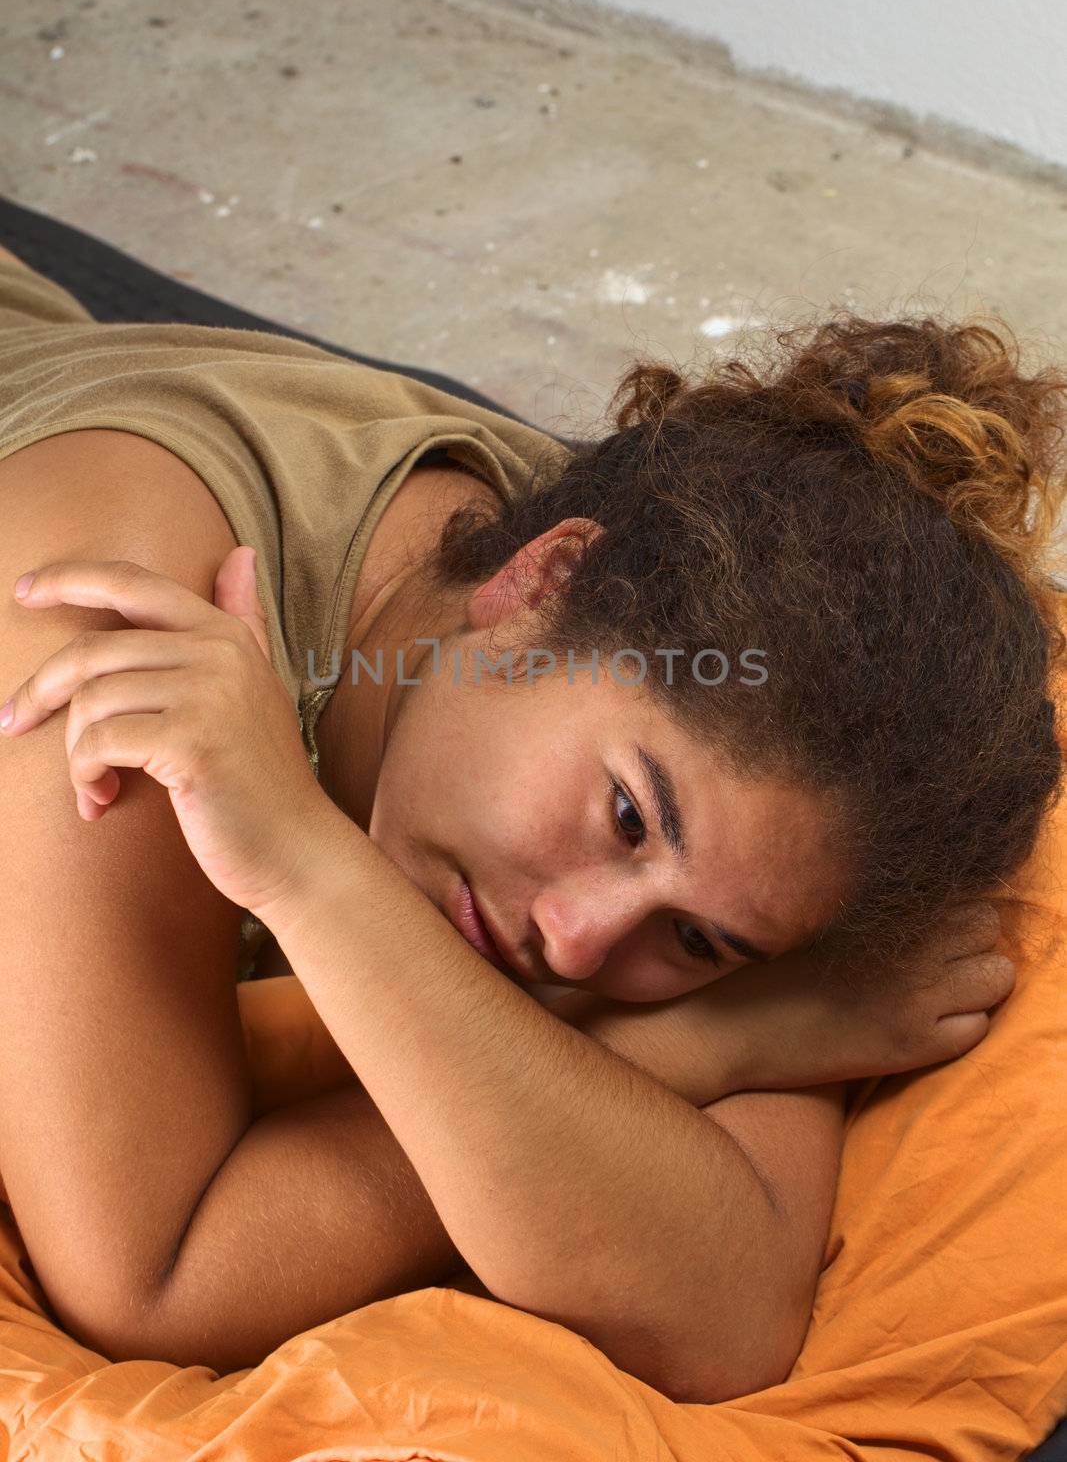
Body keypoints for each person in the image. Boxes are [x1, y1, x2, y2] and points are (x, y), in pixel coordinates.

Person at [0, 243, 1058, 1394]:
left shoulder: (748, 799)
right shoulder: (106, 628)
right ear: (535, 582)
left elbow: (726, 1317)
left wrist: (681, 1022)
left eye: (699, 945)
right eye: (622, 816)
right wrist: (699, 1047)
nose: (577, 939)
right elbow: (156, 1277)